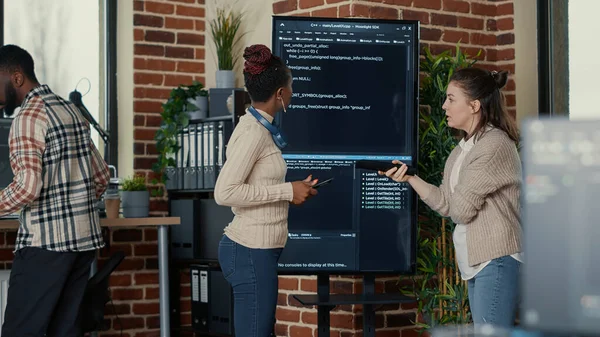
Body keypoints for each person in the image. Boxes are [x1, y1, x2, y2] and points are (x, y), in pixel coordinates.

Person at [381, 68, 522, 328]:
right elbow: (446, 204)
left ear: (474, 105)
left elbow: (461, 211)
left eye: (451, 99)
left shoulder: (493, 145)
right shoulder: (462, 150)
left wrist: (453, 203)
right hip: (477, 261)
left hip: (497, 258)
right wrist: (411, 178)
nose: (444, 105)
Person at [0, 44, 110, 336]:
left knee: (20, 332)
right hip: (81, 245)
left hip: (44, 247)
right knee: (65, 331)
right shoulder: (70, 111)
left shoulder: (27, 117)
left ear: (17, 77)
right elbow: (101, 176)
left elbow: (26, 189)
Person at [214, 44, 317, 337]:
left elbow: (259, 185)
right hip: (249, 250)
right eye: (291, 86)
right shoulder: (253, 132)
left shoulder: (261, 129)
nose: (293, 92)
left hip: (257, 251)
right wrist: (286, 191)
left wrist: (296, 191)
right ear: (280, 94)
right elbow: (225, 192)